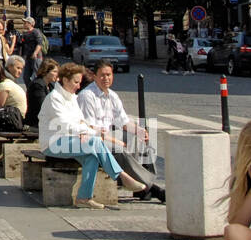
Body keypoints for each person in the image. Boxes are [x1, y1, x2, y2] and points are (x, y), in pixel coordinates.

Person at [38, 62, 146, 208]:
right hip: (53, 143)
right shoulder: (54, 98)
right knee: (95, 142)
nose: (78, 86)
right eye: (76, 82)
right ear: (65, 80)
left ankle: (83, 198)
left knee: (92, 157)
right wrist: (91, 132)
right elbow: (66, 125)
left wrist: (85, 131)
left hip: (71, 140)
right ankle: (122, 176)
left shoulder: (71, 97)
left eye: (79, 82)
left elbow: (80, 122)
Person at [77, 60, 164, 201]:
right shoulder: (87, 96)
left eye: (109, 75)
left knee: (138, 141)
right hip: (92, 140)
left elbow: (123, 122)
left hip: (108, 135)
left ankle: (142, 186)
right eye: (102, 75)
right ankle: (151, 188)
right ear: (94, 76)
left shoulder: (112, 96)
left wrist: (139, 131)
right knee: (119, 149)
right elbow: (90, 128)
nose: (106, 78)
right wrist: (114, 140)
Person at [25, 58, 59, 129]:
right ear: (46, 72)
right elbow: (42, 106)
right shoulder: (37, 85)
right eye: (55, 71)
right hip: (36, 122)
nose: (57, 74)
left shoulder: (50, 85)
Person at [19, 17, 47, 82]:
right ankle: (30, 90)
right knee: (26, 77)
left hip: (36, 57)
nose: (24, 24)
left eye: (25, 22)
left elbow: (39, 43)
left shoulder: (36, 32)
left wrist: (35, 52)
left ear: (30, 24)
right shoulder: (25, 33)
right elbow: (22, 45)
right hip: (28, 57)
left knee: (37, 75)